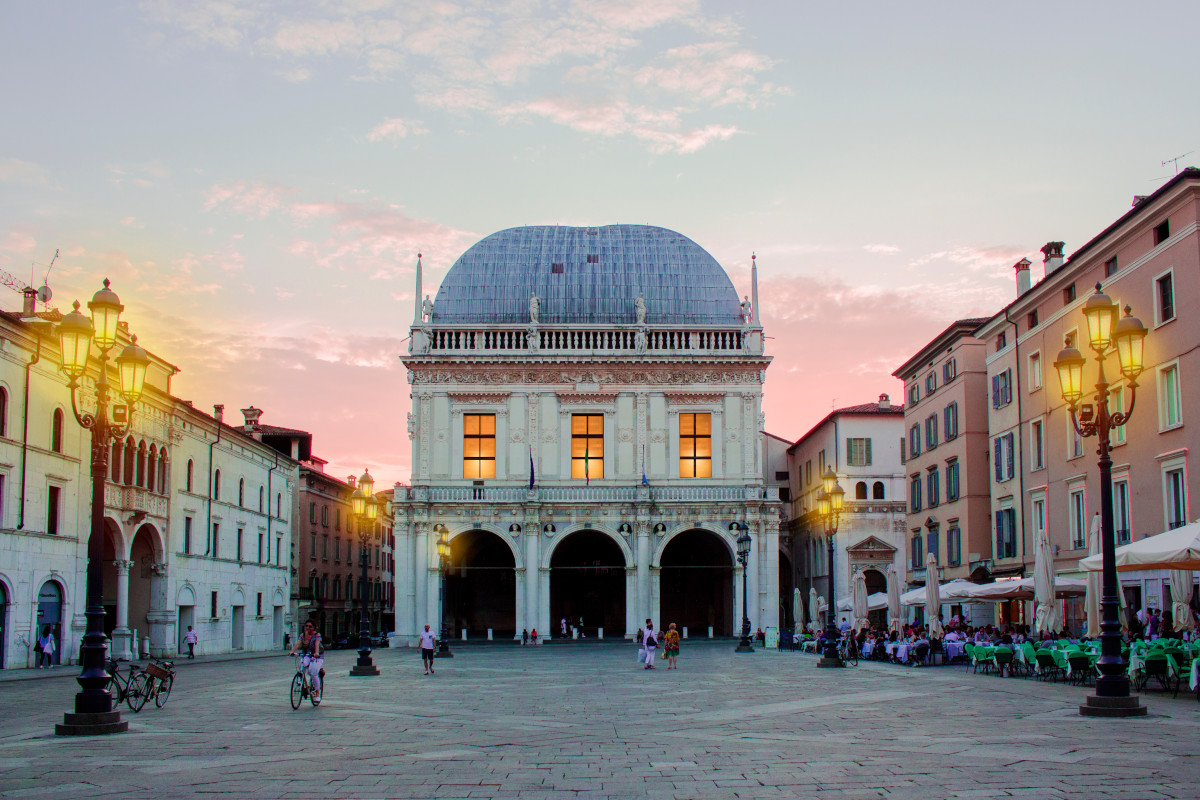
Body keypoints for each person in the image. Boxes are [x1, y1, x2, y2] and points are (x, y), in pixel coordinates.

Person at [288, 619, 324, 701]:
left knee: (313, 672)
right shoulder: (302, 635)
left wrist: (316, 652)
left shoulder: (317, 635)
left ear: (314, 627)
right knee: (302, 663)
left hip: (317, 656)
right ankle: (301, 681)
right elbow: (298, 643)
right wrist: (292, 651)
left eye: (310, 626)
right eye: (306, 626)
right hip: (307, 654)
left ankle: (317, 692)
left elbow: (317, 644)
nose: (308, 628)